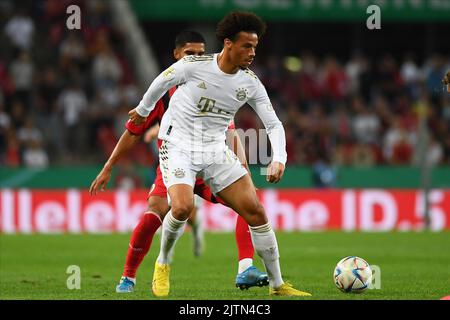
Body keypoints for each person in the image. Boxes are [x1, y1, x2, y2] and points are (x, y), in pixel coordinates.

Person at [129, 12, 311, 297]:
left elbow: (273, 123)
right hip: (177, 145)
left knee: (256, 211)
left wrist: (279, 158)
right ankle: (162, 263)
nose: (252, 53)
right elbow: (161, 82)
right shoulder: (193, 65)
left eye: (255, 47)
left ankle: (278, 285)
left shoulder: (250, 82)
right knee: (181, 208)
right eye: (246, 46)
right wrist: (142, 111)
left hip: (214, 148)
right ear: (228, 43)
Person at [89, 30, 268, 293]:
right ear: (176, 55)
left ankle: (245, 267)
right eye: (189, 54)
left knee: (250, 202)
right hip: (175, 166)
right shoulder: (164, 91)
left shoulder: (215, 87)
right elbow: (133, 131)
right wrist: (108, 166)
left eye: (200, 54)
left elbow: (231, 131)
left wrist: (243, 168)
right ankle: (128, 277)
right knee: (153, 215)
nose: (195, 59)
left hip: (209, 166)